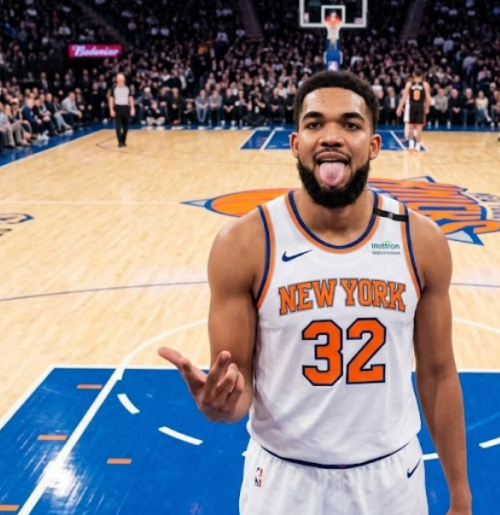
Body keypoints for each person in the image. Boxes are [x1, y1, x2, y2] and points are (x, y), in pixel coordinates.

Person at [158, 71, 471, 515]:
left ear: (375, 145)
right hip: (285, 481)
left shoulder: (420, 241)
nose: (331, 137)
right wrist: (219, 407)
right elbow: (238, 388)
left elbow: (439, 374)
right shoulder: (245, 244)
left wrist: (460, 494)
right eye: (314, 124)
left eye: (350, 124)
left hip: (390, 479)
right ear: (295, 143)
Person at [397, 69, 430, 153]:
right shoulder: (425, 84)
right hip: (420, 107)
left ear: (413, 75)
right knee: (419, 128)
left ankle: (411, 146)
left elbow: (404, 98)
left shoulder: (409, 84)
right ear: (422, 76)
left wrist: (400, 108)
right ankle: (417, 147)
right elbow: (428, 99)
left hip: (412, 107)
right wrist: (427, 108)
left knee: (411, 127)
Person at [109, 73, 134, 147]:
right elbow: (111, 99)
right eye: (119, 79)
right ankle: (120, 142)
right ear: (117, 80)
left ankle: (123, 140)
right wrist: (111, 109)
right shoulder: (113, 88)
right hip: (117, 107)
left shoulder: (127, 88)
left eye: (122, 79)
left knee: (126, 126)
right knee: (118, 126)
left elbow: (130, 98)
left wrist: (132, 108)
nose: (120, 81)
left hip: (125, 107)